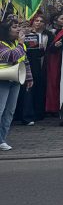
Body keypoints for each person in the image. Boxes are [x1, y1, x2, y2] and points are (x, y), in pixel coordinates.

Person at [0, 20, 33, 151]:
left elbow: (24, 60)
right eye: (15, 27)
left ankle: (2, 139)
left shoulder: (17, 44)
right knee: (1, 110)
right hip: (2, 80)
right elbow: (11, 56)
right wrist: (20, 43)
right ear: (6, 30)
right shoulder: (2, 44)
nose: (18, 29)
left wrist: (29, 77)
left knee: (9, 111)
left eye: (19, 26)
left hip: (15, 79)